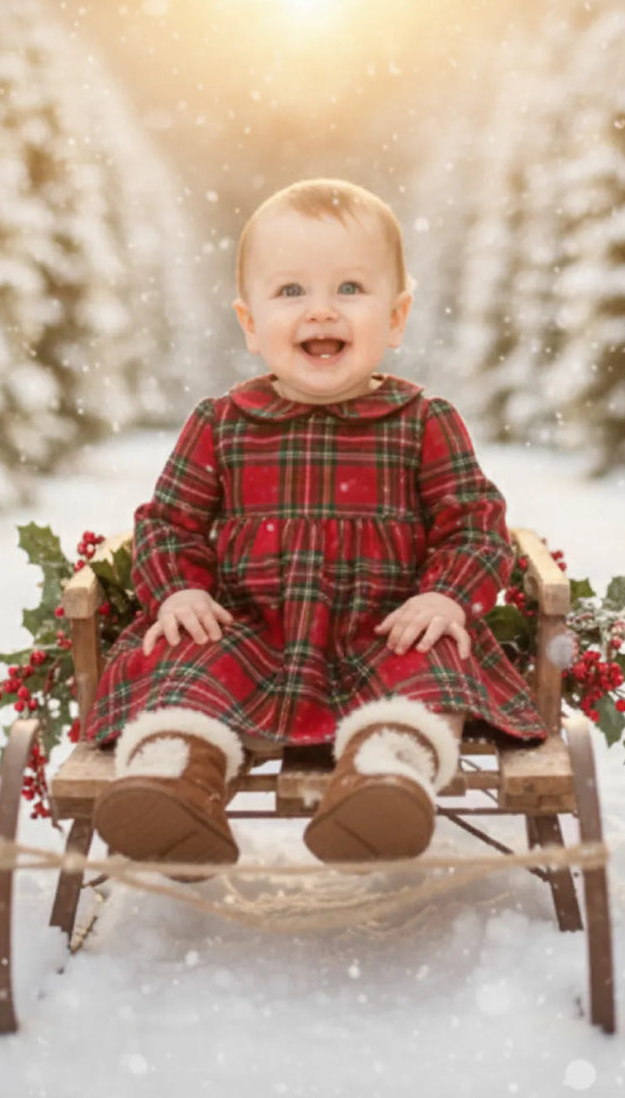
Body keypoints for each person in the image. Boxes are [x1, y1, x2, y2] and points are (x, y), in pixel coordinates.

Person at [85, 178, 546, 869]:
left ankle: (386, 777)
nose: (321, 310)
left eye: (351, 288)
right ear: (249, 323)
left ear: (396, 316)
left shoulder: (422, 422)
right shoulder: (222, 424)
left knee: (432, 665)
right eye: (291, 290)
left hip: (384, 634)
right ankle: (172, 779)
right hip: (253, 636)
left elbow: (475, 525)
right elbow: (169, 523)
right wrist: (179, 590)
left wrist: (444, 596)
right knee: (184, 660)